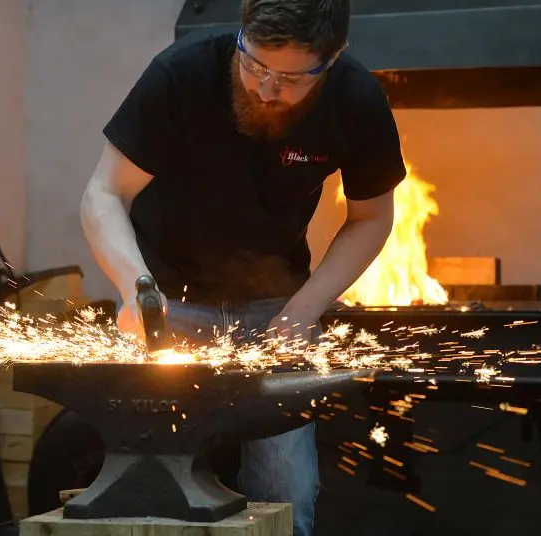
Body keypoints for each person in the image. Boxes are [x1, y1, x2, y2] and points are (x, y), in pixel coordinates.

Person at [80, 0, 406, 533]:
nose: (266, 88)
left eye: (292, 78)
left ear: (334, 55)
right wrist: (136, 289)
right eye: (254, 64)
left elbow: (371, 218)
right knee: (154, 487)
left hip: (278, 312)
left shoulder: (355, 97)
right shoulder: (181, 74)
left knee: (287, 488)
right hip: (168, 306)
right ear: (241, 32)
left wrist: (306, 309)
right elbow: (103, 195)